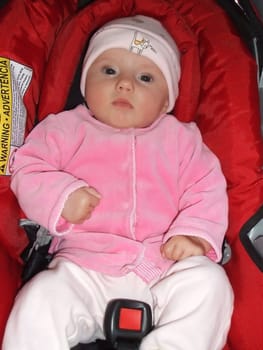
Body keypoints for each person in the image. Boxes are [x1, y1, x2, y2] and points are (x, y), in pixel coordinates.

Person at [3, 15, 233, 350]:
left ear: (167, 99)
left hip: (163, 269)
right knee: (40, 300)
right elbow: (27, 167)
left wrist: (193, 234)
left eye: (145, 77)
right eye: (109, 71)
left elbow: (207, 188)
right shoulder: (64, 129)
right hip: (83, 268)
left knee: (211, 285)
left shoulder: (182, 140)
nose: (125, 84)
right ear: (85, 83)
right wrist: (60, 197)